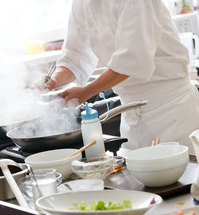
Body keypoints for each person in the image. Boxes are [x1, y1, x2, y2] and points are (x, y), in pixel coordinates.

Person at [45, 0, 199, 155]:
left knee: (184, 175)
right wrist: (53, 81)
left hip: (172, 109)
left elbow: (132, 60)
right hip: (131, 113)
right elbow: (74, 56)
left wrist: (86, 92)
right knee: (135, 176)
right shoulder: (81, 3)